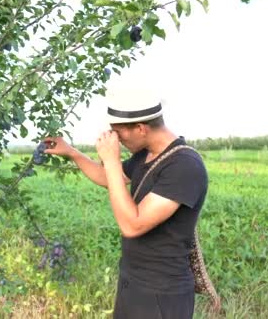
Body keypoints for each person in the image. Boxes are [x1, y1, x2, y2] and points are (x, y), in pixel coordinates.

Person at [44, 89, 208, 319]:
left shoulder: (184, 166)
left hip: (162, 294)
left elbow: (133, 225)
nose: (117, 140)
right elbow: (111, 179)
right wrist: (72, 153)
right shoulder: (146, 154)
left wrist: (112, 160)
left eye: (120, 133)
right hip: (133, 284)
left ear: (141, 128)